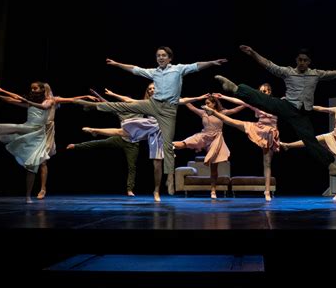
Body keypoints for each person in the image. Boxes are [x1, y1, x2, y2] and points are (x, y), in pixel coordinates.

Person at [73, 46, 227, 192]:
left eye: (163, 56)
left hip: (167, 112)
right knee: (125, 107)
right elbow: (135, 69)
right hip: (153, 106)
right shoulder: (154, 73)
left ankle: (170, 179)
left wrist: (212, 63)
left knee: (167, 146)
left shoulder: (178, 69)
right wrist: (117, 64)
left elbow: (196, 66)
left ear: (169, 58)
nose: (160, 58)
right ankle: (92, 106)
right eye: (158, 56)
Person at [215, 45, 336, 183]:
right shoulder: (288, 72)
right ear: (297, 60)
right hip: (287, 106)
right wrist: (253, 53)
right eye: (300, 60)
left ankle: (331, 167)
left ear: (309, 62)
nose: (302, 62)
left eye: (305, 60)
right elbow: (268, 65)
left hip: (301, 114)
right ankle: (235, 88)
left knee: (310, 140)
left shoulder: (315, 74)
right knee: (265, 101)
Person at [0, 82, 97, 203]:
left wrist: (85, 97)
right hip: (33, 127)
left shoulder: (53, 100)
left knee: (43, 160)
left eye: (45, 89)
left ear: (46, 90)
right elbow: (17, 98)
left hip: (46, 130)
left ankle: (43, 188)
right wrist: (1, 92)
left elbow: (73, 99)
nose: (42, 91)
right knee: (5, 136)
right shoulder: (35, 101)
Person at [70, 84, 209, 202]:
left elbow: (183, 100)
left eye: (154, 88)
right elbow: (127, 100)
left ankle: (156, 191)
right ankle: (95, 130)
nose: (152, 90)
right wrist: (113, 94)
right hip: (150, 127)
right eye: (149, 89)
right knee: (123, 131)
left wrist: (199, 97)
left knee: (157, 164)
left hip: (162, 130)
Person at [66, 85, 150, 198]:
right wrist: (97, 95)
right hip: (119, 138)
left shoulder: (139, 110)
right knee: (100, 143)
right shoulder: (120, 112)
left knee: (132, 166)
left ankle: (130, 190)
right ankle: (76, 146)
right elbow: (107, 104)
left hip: (133, 143)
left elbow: (148, 102)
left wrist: (152, 92)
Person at [201, 84, 280, 201]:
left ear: (270, 92)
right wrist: (223, 97)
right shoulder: (256, 103)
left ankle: (267, 190)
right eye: (262, 91)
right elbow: (240, 101)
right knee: (233, 122)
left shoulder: (277, 103)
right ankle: (215, 113)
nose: (264, 93)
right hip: (258, 128)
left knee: (267, 163)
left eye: (266, 91)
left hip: (270, 132)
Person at [280, 92, 336, 201]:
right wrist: (305, 106)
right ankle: (288, 145)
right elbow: (321, 108)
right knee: (313, 139)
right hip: (334, 135)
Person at [173, 94, 245, 199]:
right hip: (204, 136)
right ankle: (167, 146)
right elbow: (190, 106)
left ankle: (213, 190)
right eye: (205, 103)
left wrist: (246, 105)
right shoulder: (203, 113)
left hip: (216, 139)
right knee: (186, 142)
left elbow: (235, 110)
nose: (205, 105)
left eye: (208, 103)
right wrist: (183, 97)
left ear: (214, 104)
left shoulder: (221, 113)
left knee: (214, 167)